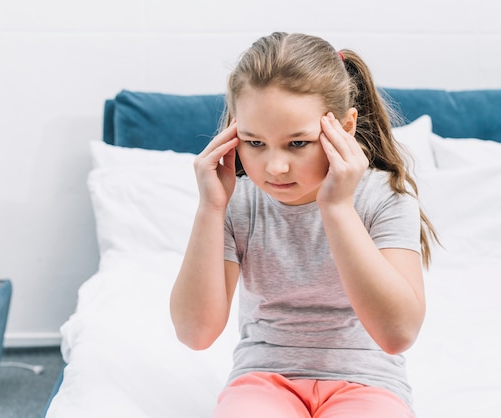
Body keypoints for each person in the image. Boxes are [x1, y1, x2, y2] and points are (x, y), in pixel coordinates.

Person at [169, 32, 439, 418]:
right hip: (263, 379)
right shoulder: (236, 202)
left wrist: (338, 207)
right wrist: (211, 208)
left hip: (367, 383)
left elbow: (398, 335)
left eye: (298, 144)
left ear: (344, 127)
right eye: (254, 142)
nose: (275, 168)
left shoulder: (385, 197)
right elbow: (195, 334)